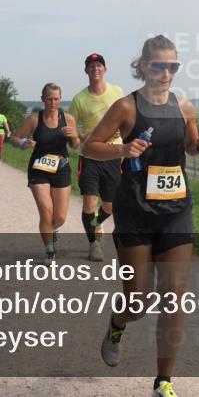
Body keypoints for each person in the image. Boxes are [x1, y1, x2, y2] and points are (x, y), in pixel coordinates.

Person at [84, 35, 199, 397]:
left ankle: (164, 382)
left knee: (173, 298)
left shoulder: (184, 105)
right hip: (136, 213)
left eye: (173, 66)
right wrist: (123, 148)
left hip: (176, 212)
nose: (167, 73)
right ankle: (118, 322)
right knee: (138, 301)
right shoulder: (126, 108)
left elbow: (188, 145)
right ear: (142, 66)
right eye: (159, 65)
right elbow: (89, 146)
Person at [8, 83, 80, 263]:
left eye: (56, 99)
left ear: (60, 99)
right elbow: (14, 138)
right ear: (43, 99)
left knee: (60, 217)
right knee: (46, 211)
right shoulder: (34, 119)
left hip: (61, 168)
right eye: (49, 99)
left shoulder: (68, 119)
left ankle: (53, 230)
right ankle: (50, 251)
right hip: (38, 169)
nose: (53, 102)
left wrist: (73, 136)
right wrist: (23, 143)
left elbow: (75, 145)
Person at [69, 53, 125, 261]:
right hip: (90, 156)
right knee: (89, 204)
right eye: (91, 66)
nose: (95, 69)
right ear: (86, 71)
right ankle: (94, 244)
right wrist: (84, 136)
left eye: (99, 65)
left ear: (105, 69)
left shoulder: (117, 92)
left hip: (113, 155)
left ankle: (98, 222)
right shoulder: (79, 99)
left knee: (110, 205)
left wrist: (124, 133)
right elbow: (72, 128)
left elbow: (126, 116)